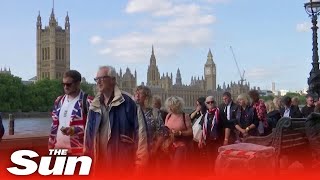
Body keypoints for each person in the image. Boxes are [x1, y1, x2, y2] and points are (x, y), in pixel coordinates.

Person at [84, 66, 148, 175]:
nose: (98, 82)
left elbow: (142, 137)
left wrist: (139, 169)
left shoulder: (129, 103)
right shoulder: (94, 106)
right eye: (96, 79)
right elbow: (88, 139)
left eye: (102, 78)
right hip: (99, 167)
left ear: (113, 80)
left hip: (123, 166)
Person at [49, 70, 93, 155]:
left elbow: (95, 128)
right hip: (58, 151)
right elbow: (54, 125)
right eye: (63, 84)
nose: (65, 87)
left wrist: (74, 130)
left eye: (68, 84)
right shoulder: (59, 101)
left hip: (79, 152)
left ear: (77, 84)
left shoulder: (88, 102)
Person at [134, 86, 164, 158]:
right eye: (136, 93)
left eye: (140, 93)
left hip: (150, 153)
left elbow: (162, 132)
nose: (137, 95)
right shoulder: (131, 112)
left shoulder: (154, 112)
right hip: (134, 153)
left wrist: (154, 149)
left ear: (146, 97)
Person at [164, 96, 193, 170]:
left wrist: (180, 133)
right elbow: (165, 128)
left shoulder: (184, 116)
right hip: (169, 145)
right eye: (168, 106)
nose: (169, 108)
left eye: (171, 106)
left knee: (176, 167)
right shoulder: (168, 116)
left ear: (177, 106)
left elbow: (190, 132)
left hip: (181, 146)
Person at [198, 96, 224, 172]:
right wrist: (200, 139)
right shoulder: (205, 114)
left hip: (218, 140)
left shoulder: (220, 112)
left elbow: (226, 126)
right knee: (210, 160)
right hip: (208, 140)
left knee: (218, 159)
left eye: (212, 102)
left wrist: (226, 139)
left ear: (215, 103)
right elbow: (202, 128)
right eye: (208, 102)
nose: (210, 104)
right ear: (205, 104)